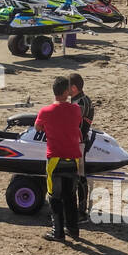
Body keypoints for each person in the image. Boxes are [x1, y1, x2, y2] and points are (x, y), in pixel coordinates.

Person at [36, 77, 83, 242]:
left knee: (54, 196)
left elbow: (38, 127)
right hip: (73, 158)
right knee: (70, 196)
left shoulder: (45, 111)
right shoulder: (76, 109)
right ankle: (73, 229)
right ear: (66, 92)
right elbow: (76, 124)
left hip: (55, 158)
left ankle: (58, 232)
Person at [66, 73, 94, 220]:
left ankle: (81, 212)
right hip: (79, 142)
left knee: (79, 176)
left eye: (68, 87)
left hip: (79, 144)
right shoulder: (81, 99)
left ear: (74, 88)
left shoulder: (80, 103)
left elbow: (74, 125)